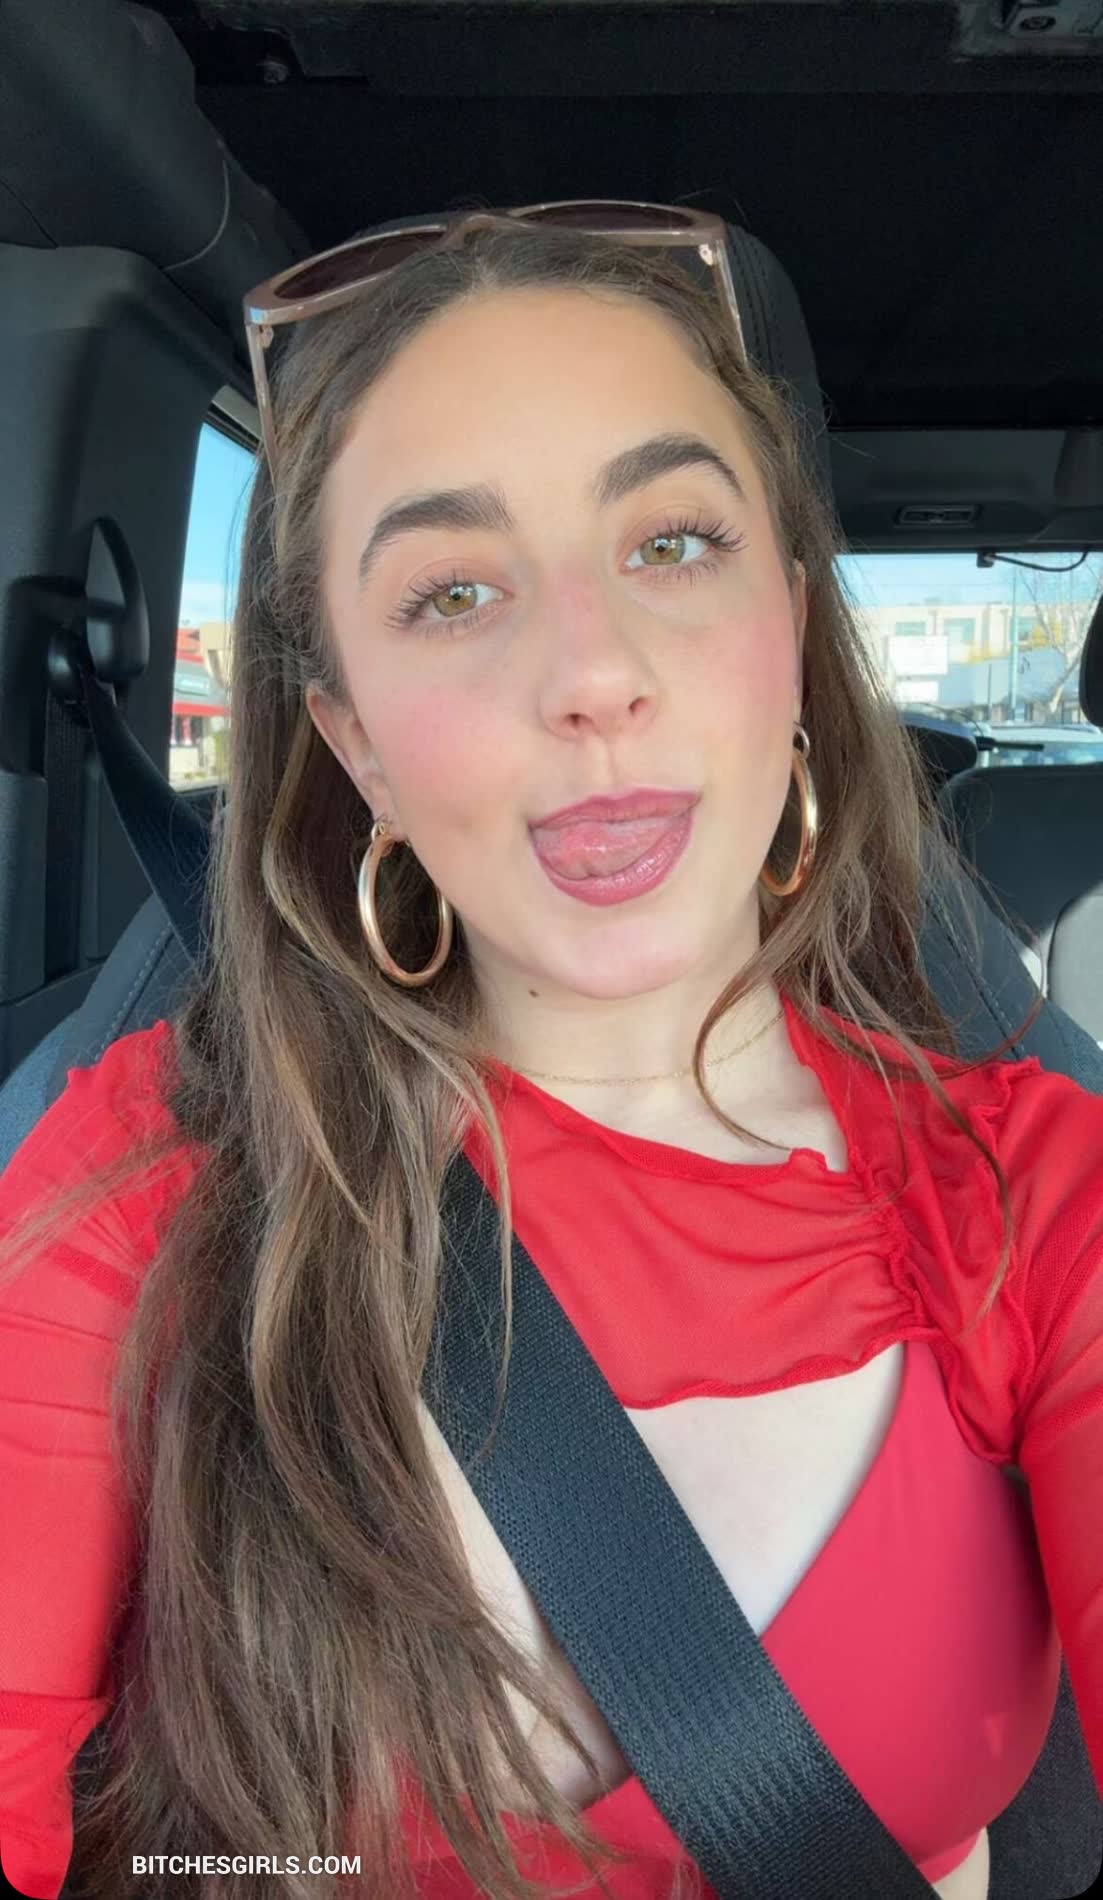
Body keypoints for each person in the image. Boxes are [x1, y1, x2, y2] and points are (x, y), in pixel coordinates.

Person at [0, 208, 1100, 1900]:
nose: (591, 674)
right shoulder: (155, 1178)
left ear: (794, 634)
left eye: (674, 544)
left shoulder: (1037, 1195)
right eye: (451, 592)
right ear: (354, 741)